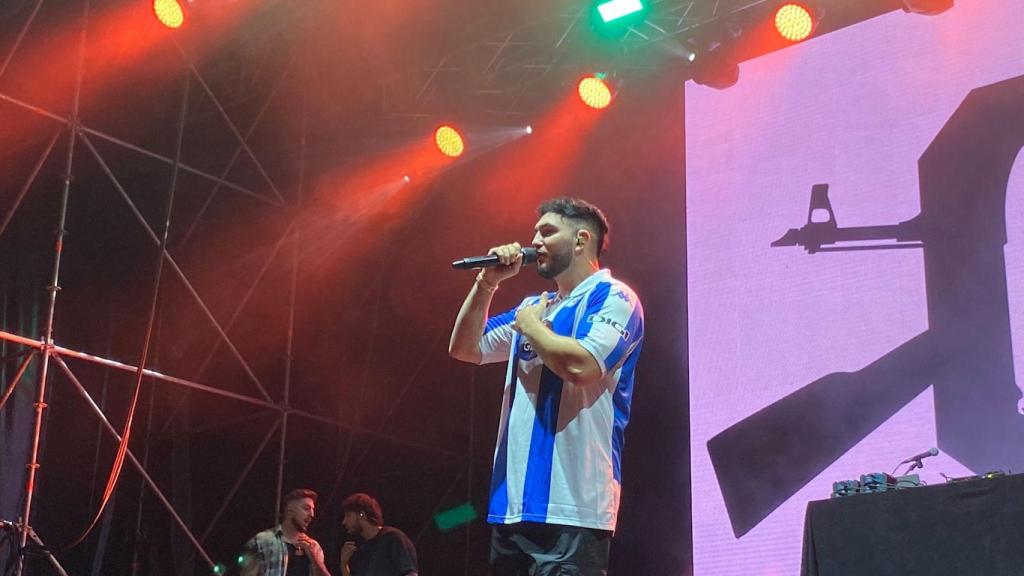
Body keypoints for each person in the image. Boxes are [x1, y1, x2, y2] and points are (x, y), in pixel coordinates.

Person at [449, 197, 645, 575]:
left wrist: (532, 327)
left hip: (574, 506)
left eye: (548, 231)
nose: (534, 242)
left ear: (581, 239)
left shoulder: (616, 297)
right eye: (534, 232)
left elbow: (582, 365)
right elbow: (465, 348)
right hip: (511, 506)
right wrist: (486, 282)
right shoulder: (535, 306)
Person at [241, 489, 331, 576]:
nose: (312, 514)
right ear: (290, 509)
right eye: (306, 508)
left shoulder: (314, 546)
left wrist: (314, 558)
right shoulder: (262, 541)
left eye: (312, 509)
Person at [339, 493, 418, 576]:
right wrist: (343, 565)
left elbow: (410, 573)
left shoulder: (393, 538)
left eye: (348, 516)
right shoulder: (361, 553)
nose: (344, 522)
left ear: (362, 514)